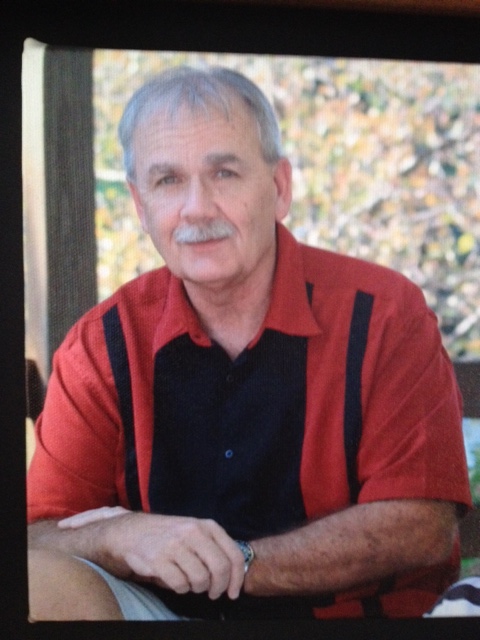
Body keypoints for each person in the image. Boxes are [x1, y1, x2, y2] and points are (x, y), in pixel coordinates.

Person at [27, 65, 472, 621]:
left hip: (355, 619)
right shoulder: (100, 344)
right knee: (36, 583)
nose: (197, 207)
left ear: (280, 188)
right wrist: (122, 536)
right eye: (168, 181)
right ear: (140, 208)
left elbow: (419, 526)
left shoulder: (384, 314)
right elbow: (39, 536)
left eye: (224, 173)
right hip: (161, 618)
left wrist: (235, 563)